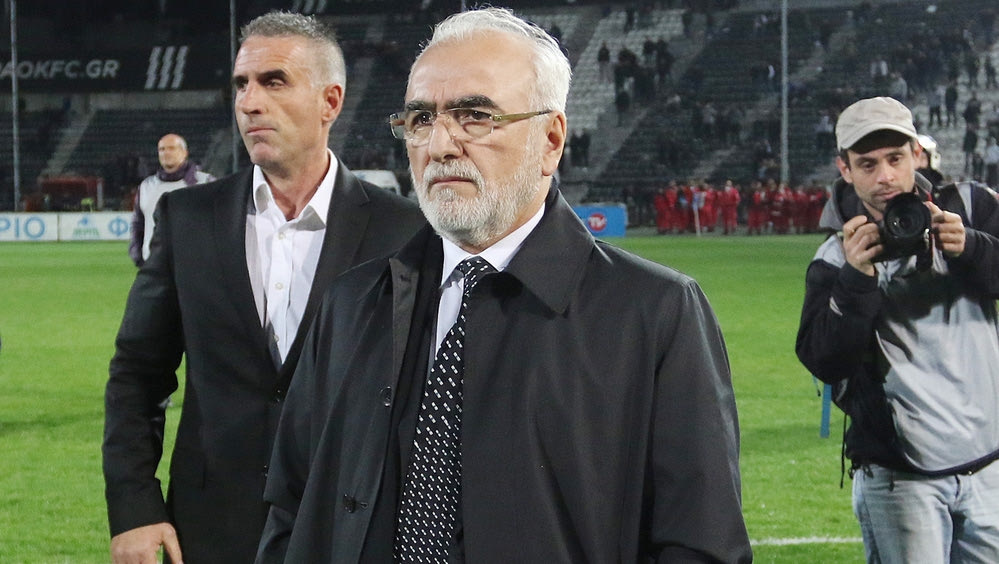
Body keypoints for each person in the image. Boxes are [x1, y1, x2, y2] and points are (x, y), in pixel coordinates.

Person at [256, 7, 751, 562]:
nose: (439, 145)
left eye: (474, 116)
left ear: (551, 140)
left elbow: (700, 544)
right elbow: (292, 507)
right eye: (421, 119)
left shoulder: (655, 313)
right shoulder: (353, 302)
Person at [102, 11, 426, 564]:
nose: (249, 102)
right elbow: (137, 372)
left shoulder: (404, 231)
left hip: (350, 530)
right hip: (211, 530)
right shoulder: (187, 219)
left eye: (274, 81)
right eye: (241, 84)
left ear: (330, 102)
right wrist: (134, 506)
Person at [796, 96, 999, 564]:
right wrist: (855, 280)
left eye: (895, 159)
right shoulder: (836, 256)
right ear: (845, 170)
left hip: (989, 463)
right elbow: (825, 361)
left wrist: (972, 247)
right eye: (867, 164)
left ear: (917, 155)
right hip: (900, 476)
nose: (885, 176)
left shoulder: (969, 208)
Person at [129, 134, 215, 267]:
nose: (166, 153)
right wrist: (137, 255)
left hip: (193, 265)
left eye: (171, 148)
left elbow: (218, 223)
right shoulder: (146, 186)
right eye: (162, 149)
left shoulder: (205, 182)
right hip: (153, 265)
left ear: (184, 152)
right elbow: (138, 224)